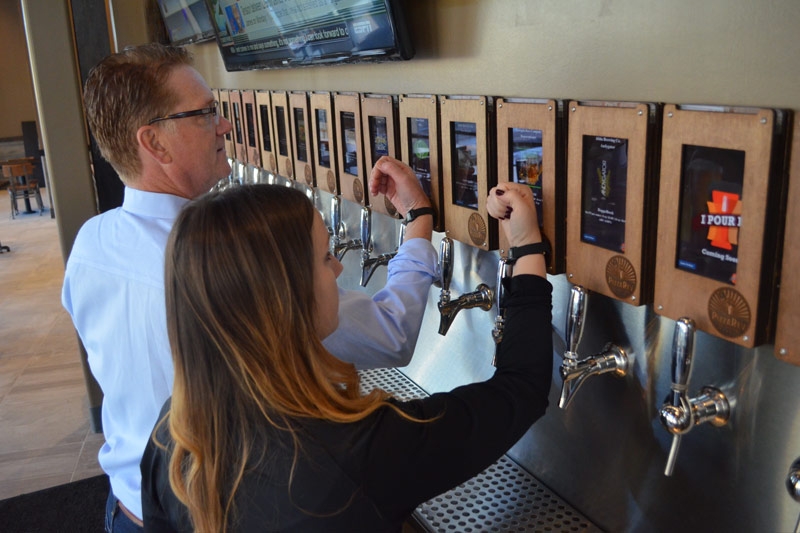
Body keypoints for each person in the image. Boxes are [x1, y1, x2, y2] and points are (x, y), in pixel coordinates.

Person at [61, 43, 437, 532]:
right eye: (205, 113)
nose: (225, 125)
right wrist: (419, 223)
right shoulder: (221, 267)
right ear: (154, 143)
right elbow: (391, 335)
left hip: (129, 510)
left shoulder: (91, 242)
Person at [140, 181, 552, 532]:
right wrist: (524, 246)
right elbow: (521, 389)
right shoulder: (361, 449)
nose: (338, 269)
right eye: (323, 257)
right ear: (284, 297)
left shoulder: (171, 435)